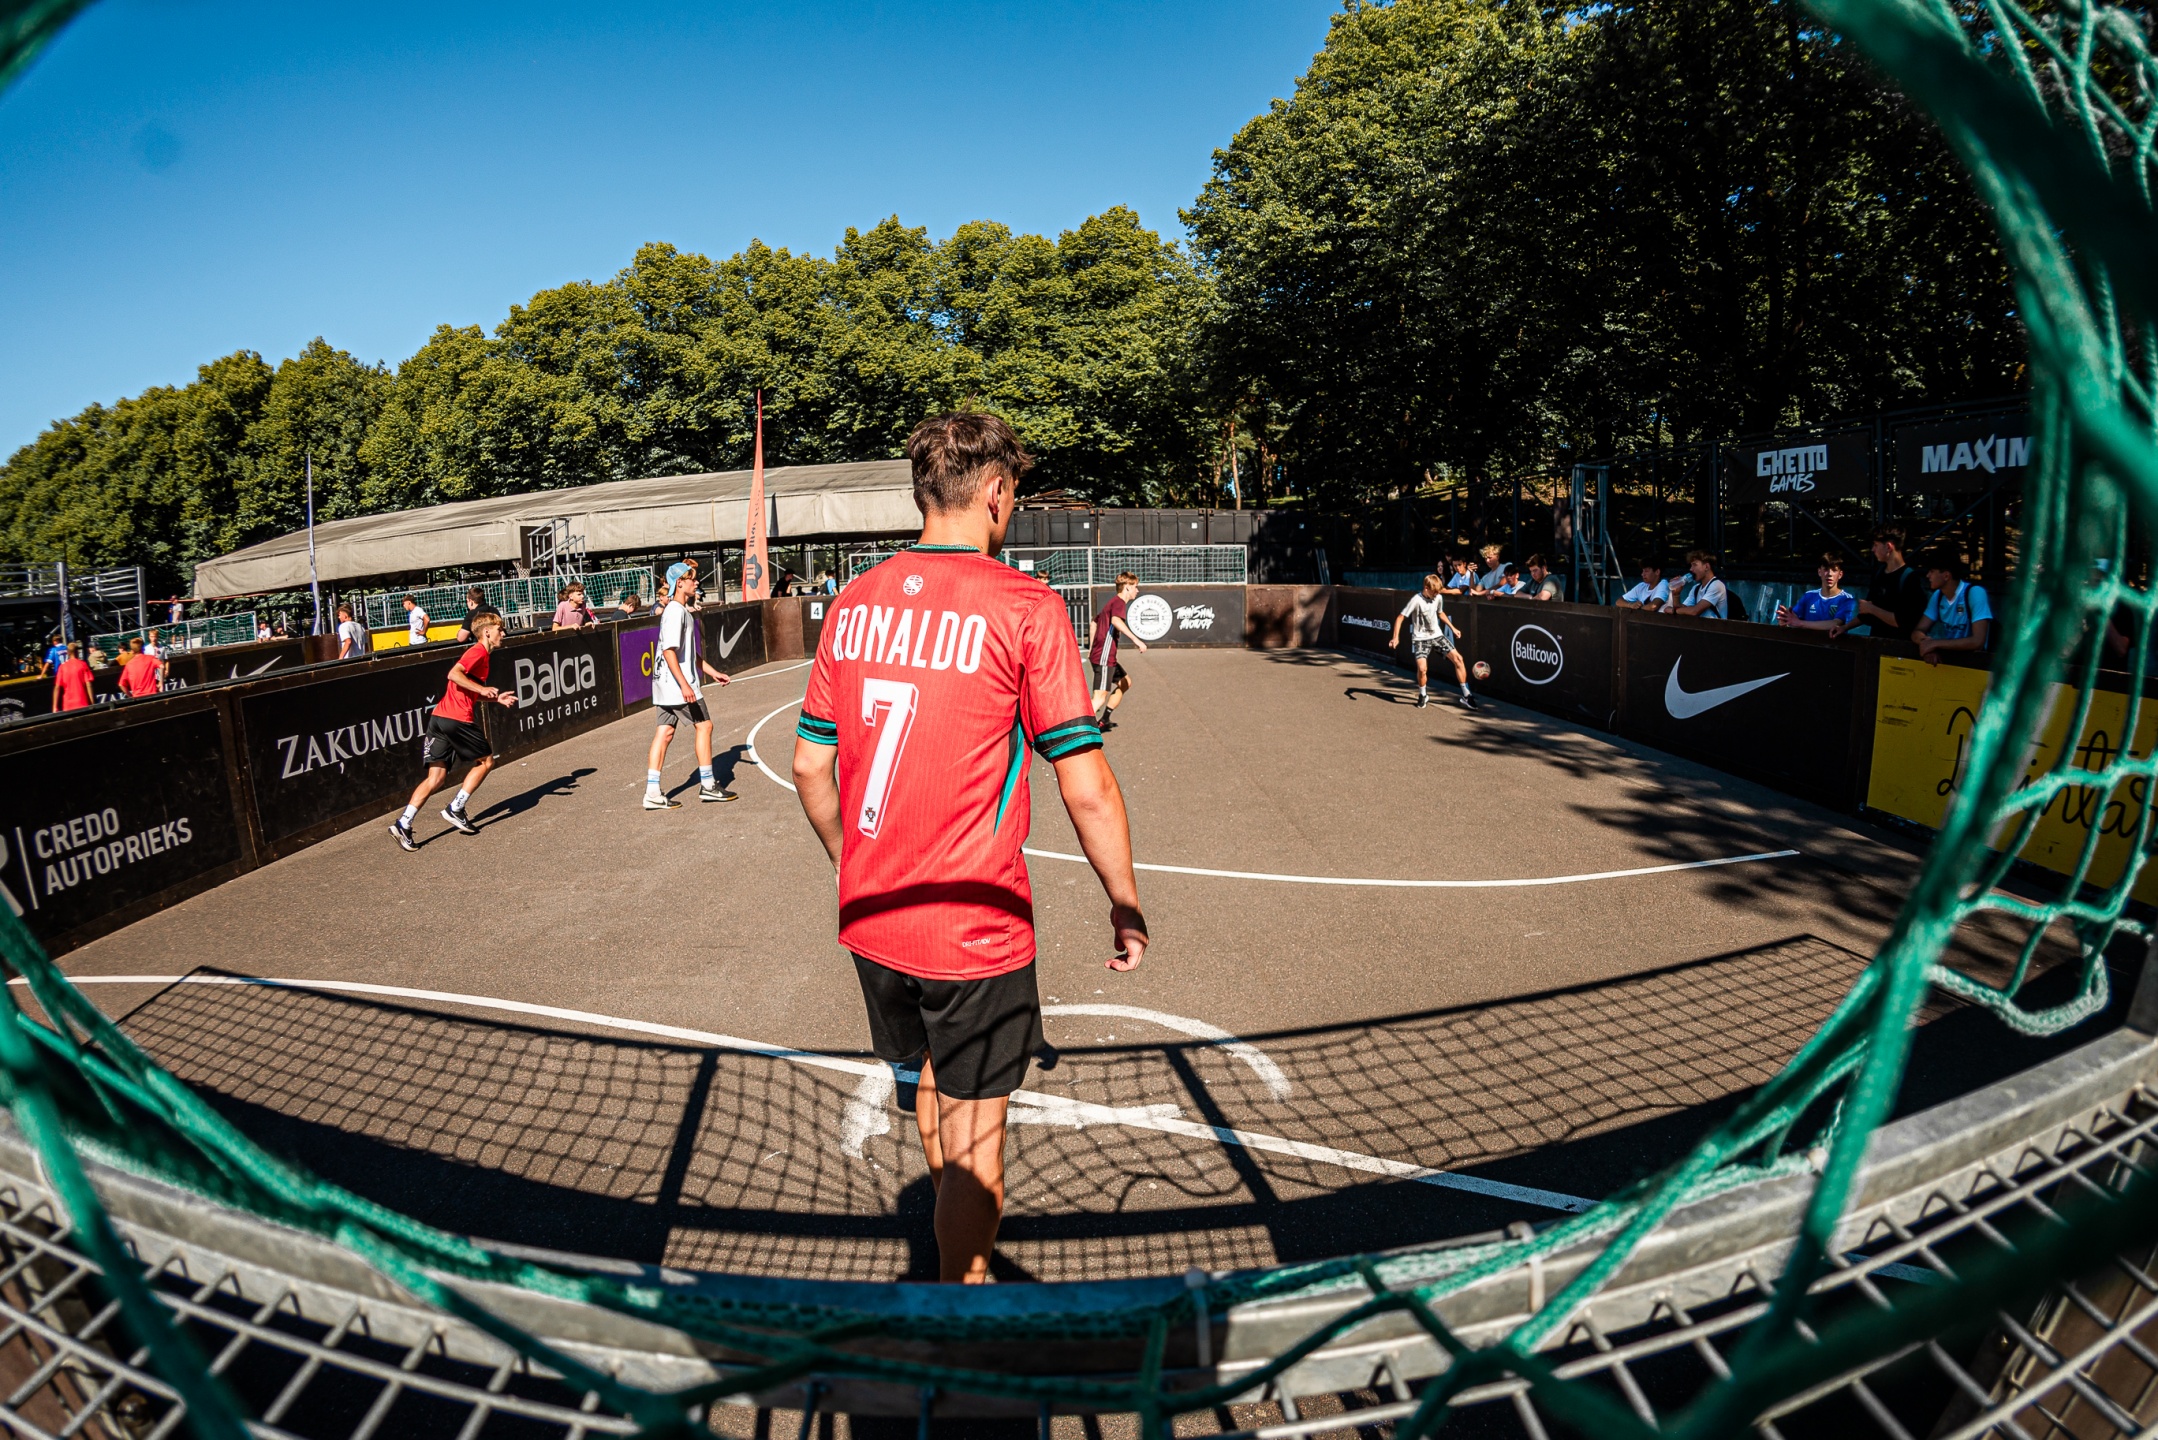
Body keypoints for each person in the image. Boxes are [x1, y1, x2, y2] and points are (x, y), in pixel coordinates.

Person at [791, 410, 1148, 1285]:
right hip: (971, 929)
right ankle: (962, 1307)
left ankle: (952, 1252)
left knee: (928, 1079)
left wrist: (848, 863)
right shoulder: (1025, 606)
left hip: (873, 916)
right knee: (979, 1143)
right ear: (994, 492)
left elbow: (808, 765)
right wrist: (1125, 901)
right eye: (1014, 494)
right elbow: (1086, 783)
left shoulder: (853, 600)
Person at [389, 609, 517, 850]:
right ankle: (455, 808)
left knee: (436, 778)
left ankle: (403, 823)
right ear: (487, 632)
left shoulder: (483, 657)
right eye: (500, 629)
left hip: (439, 719)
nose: (503, 633)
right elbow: (453, 674)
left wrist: (494, 697)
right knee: (486, 761)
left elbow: (467, 689)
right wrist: (482, 689)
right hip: (457, 719)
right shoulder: (477, 652)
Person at [644, 565, 735, 808]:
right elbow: (669, 651)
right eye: (692, 579)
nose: (696, 583)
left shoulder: (679, 610)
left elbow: (688, 654)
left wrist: (713, 673)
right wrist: (685, 685)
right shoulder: (676, 611)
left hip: (664, 685)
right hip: (677, 685)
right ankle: (708, 785)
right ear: (680, 583)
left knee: (664, 732)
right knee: (705, 726)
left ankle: (652, 793)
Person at [1387, 573, 1473, 710]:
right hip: (1420, 638)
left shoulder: (1438, 597)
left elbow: (1440, 613)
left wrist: (1453, 628)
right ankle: (1423, 695)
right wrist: (1395, 637)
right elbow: (1400, 618)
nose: (1436, 594)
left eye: (1438, 592)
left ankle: (1467, 695)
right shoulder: (1416, 600)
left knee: (1458, 659)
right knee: (1422, 669)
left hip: (1437, 636)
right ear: (1426, 588)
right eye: (1434, 592)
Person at [1845, 525, 1930, 640]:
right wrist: (1844, 627)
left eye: (1876, 545)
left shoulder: (1910, 579)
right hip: (1877, 643)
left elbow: (1903, 621)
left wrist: (1872, 609)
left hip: (1898, 645)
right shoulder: (1879, 574)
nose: (1873, 549)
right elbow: (1866, 614)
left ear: (1888, 547)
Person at [1088, 572, 1149, 731]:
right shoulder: (1119, 603)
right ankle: (1078, 732)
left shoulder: (1112, 603)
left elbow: (1094, 623)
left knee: (1125, 683)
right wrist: (1136, 640)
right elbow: (1115, 620)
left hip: (1105, 656)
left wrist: (1091, 648)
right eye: (1135, 587)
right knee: (1099, 698)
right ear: (1127, 587)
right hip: (1104, 657)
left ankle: (1104, 720)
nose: (1137, 590)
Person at [1913, 550, 1993, 666]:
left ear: (1946, 576)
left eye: (1932, 571)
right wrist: (1926, 645)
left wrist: (1935, 644)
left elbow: (1978, 641)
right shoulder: (1937, 596)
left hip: (1978, 666)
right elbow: (1918, 631)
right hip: (1952, 664)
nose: (1928, 576)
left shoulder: (1975, 593)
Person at [1778, 553, 1859, 632]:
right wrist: (1785, 620)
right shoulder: (1809, 596)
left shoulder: (1846, 599)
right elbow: (1793, 620)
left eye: (1834, 570)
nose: (1829, 574)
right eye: (1826, 569)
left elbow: (1835, 624)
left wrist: (1800, 623)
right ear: (1819, 572)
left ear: (1840, 574)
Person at [1664, 551, 1729, 619]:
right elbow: (1682, 610)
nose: (1691, 569)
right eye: (1691, 565)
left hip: (1715, 625)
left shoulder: (1716, 585)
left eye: (1694, 565)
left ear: (1706, 567)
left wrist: (1674, 611)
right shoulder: (1696, 588)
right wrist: (1676, 595)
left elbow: (1694, 611)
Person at [51, 642, 92, 712]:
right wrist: (92, 703)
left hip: (68, 705)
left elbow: (57, 687)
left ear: (67, 653)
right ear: (77, 652)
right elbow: (88, 684)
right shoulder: (83, 665)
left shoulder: (62, 667)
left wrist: (54, 707)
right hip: (82, 702)